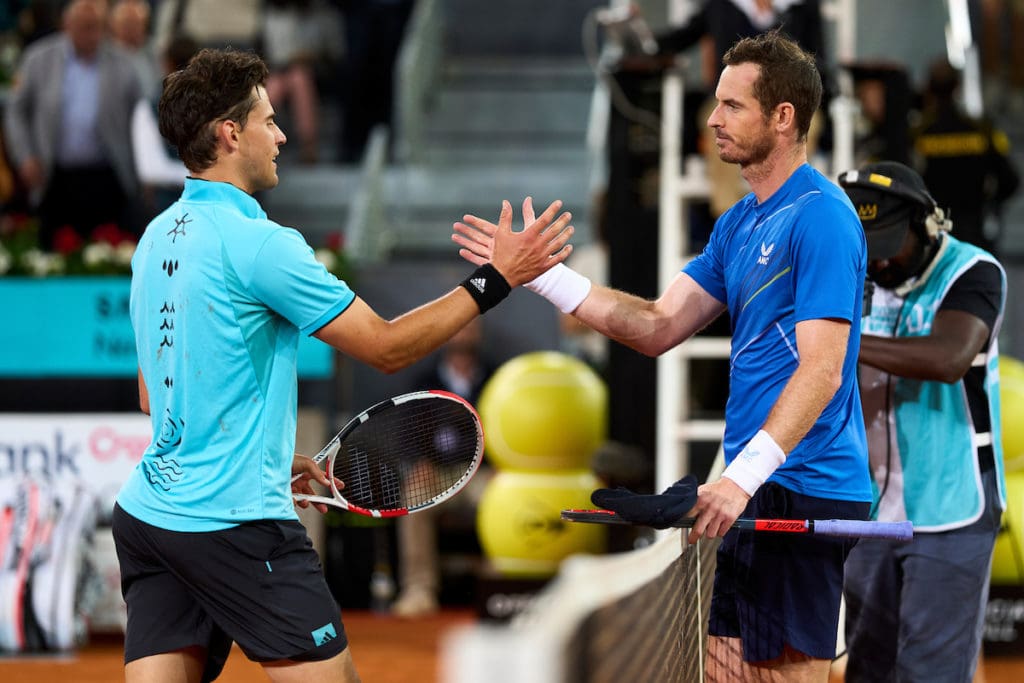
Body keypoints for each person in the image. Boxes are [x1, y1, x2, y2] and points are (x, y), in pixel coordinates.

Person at [113, 47, 574, 682]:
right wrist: (497, 279)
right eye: (267, 121)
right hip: (237, 526)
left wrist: (267, 458)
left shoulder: (155, 238)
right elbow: (387, 347)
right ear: (229, 133)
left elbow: (152, 394)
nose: (279, 135)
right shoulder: (263, 245)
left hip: (149, 519)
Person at [454, 30, 871, 682]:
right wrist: (540, 275)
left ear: (783, 117)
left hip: (801, 486)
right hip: (751, 488)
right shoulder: (739, 222)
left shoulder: (822, 217)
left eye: (733, 105)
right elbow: (655, 324)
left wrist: (742, 475)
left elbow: (821, 366)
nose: (712, 119)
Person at [837, 161, 1007, 682]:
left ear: (927, 226)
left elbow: (947, 358)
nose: (879, 265)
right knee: (868, 668)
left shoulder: (973, 272)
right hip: (867, 509)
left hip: (951, 506)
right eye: (868, 250)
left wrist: (837, 340)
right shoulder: (851, 272)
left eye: (889, 247)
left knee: (928, 671)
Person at [3, 0, 143, 249]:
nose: (93, 35)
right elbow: (15, 110)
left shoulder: (123, 64)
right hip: (54, 176)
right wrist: (24, 156)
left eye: (98, 27)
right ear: (66, 26)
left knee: (107, 252)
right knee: (53, 250)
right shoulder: (38, 59)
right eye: (85, 27)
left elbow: (141, 117)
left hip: (107, 176)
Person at [391, 317, 494, 618]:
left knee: (505, 499)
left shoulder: (495, 376)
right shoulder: (424, 382)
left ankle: (499, 584)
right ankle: (419, 589)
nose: (464, 335)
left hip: (482, 474)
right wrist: (418, 464)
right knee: (414, 498)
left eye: (471, 328)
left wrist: (502, 466)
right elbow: (407, 432)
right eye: (458, 327)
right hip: (436, 474)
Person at [912, 58, 1020, 257]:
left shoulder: (918, 135)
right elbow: (1010, 181)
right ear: (958, 87)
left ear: (929, 89)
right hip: (974, 232)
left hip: (933, 236)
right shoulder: (981, 131)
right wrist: (989, 203)